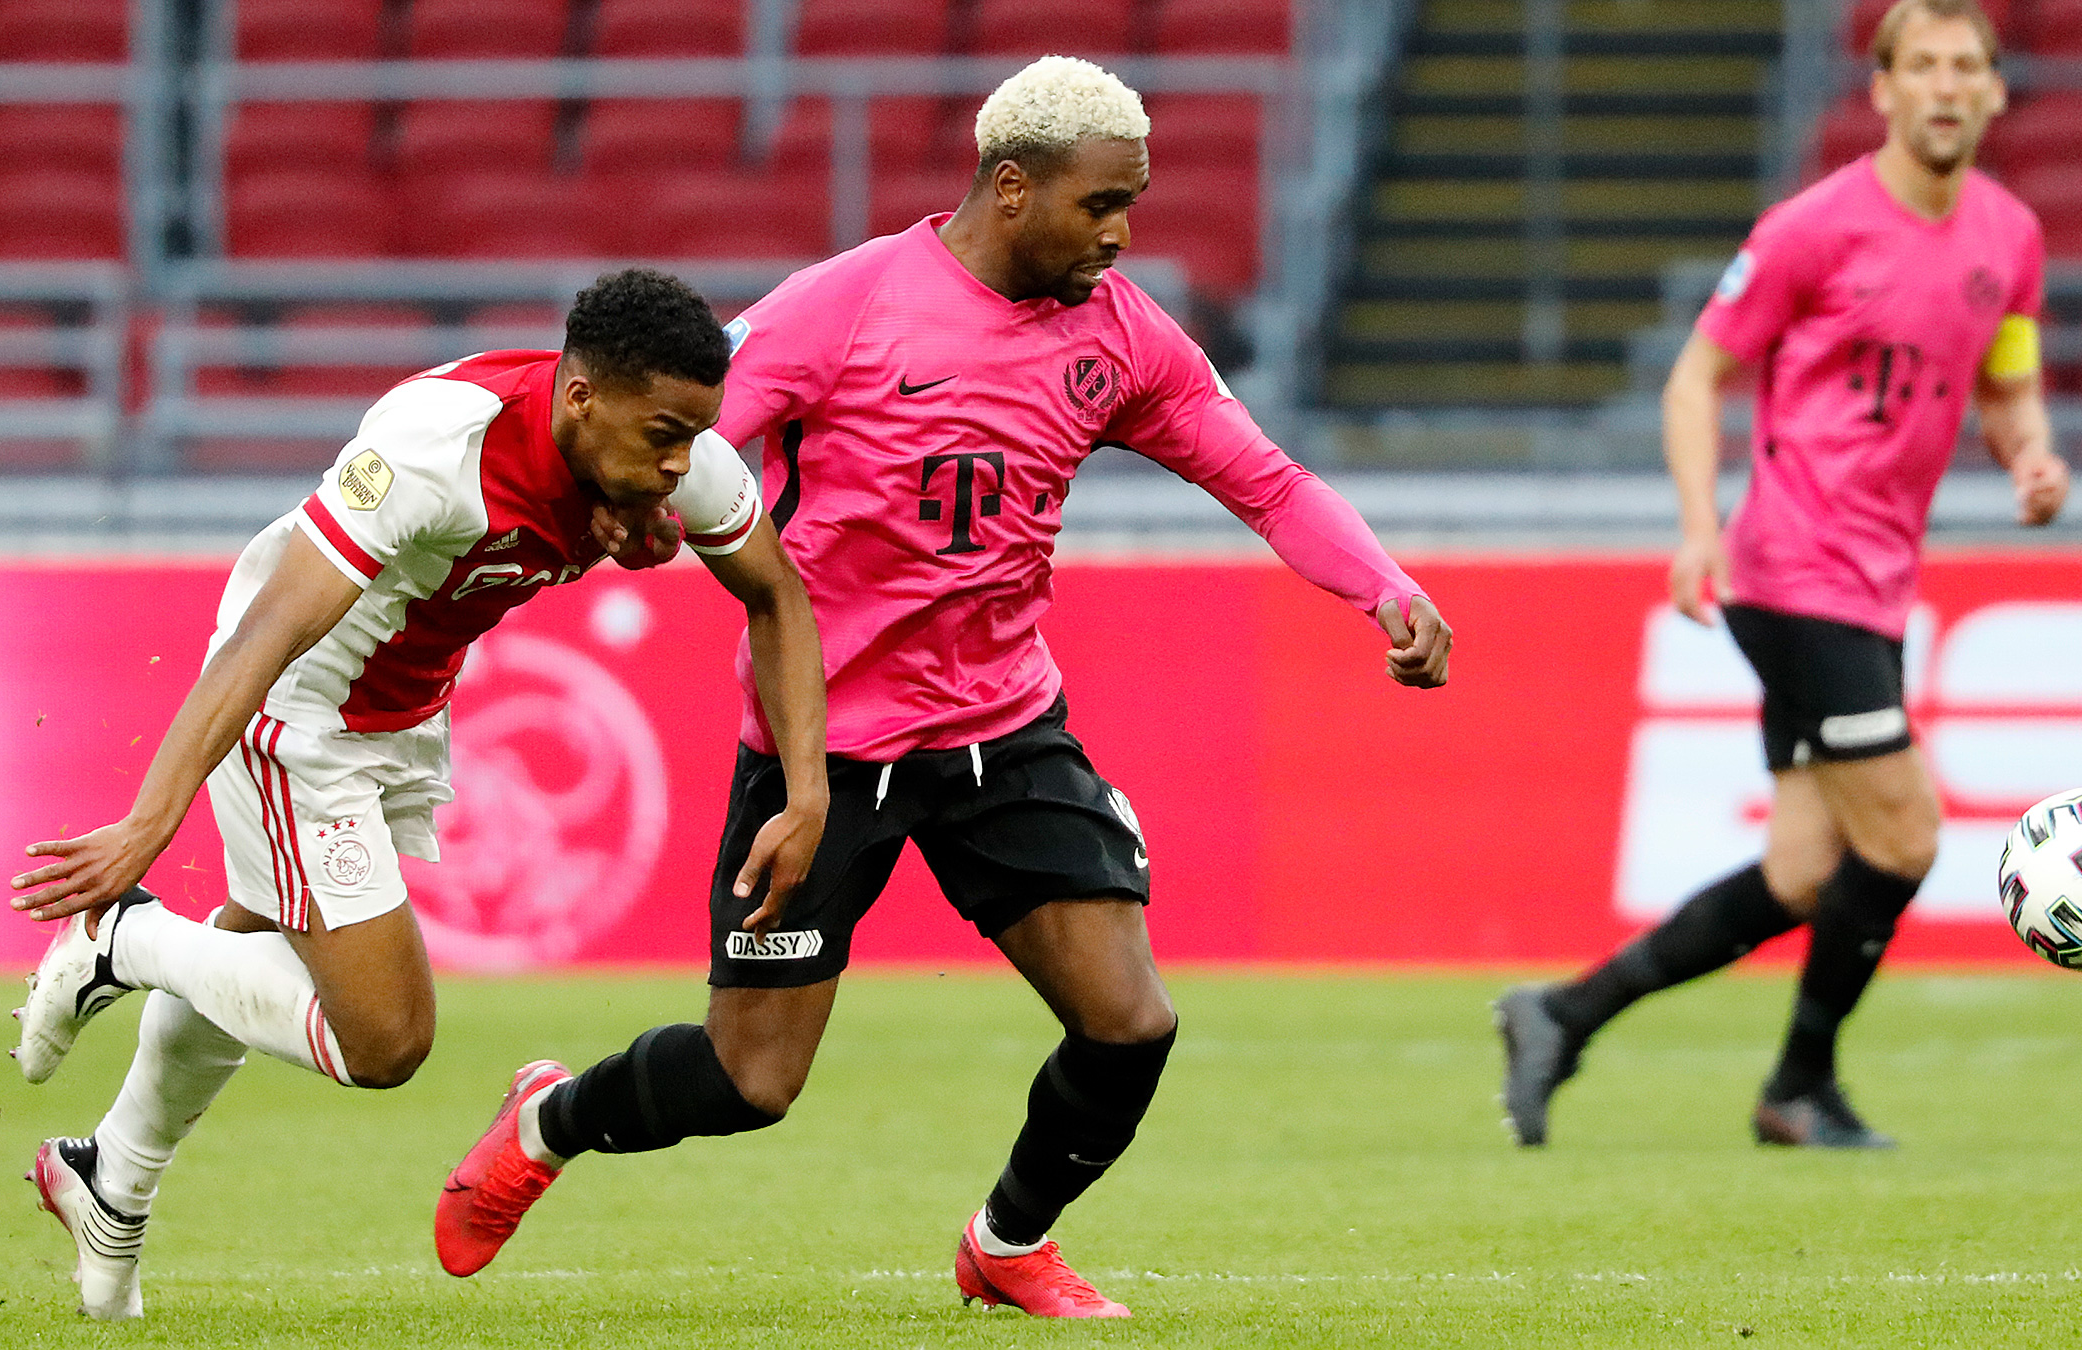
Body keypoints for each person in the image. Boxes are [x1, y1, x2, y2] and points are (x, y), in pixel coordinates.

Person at [428, 56, 1454, 1319]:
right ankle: (549, 1122)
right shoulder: (845, 307)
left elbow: (1269, 480)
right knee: (749, 1084)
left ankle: (1007, 1242)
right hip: (825, 750)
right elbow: (685, 442)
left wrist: (1384, 589)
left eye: (1133, 202)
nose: (1121, 232)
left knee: (1130, 1022)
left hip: (1005, 732)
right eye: (1102, 204)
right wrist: (632, 522)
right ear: (1011, 188)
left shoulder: (1125, 336)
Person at [5, 269, 831, 1320]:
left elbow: (779, 596)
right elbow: (272, 631)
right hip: (296, 709)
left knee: (255, 950)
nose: (682, 463)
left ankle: (109, 1180)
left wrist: (806, 789)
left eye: (694, 437)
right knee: (385, 1038)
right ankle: (123, 939)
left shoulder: (668, 464)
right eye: (664, 434)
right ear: (581, 396)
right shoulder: (435, 447)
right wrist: (150, 820)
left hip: (402, 709)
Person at [1496, 0, 2068, 1151]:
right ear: (1885, 90)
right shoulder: (1813, 228)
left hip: (1874, 585)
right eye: (1925, 67)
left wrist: (2033, 452)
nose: (1948, 87)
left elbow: (2007, 375)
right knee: (1905, 838)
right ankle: (1800, 1085)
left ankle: (1561, 1013)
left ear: (1998, 92)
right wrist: (1700, 525)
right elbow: (1697, 379)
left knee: (1805, 870)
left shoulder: (2010, 237)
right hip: (1791, 570)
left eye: (1969, 68)